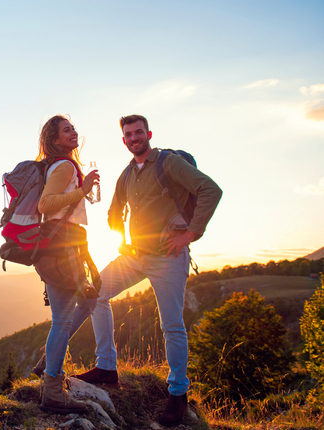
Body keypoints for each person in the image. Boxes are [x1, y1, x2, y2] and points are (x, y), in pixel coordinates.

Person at [73, 114, 222, 426]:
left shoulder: (168, 164)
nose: (133, 138)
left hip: (169, 256)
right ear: (124, 140)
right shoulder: (127, 174)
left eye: (138, 132)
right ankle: (107, 367)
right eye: (128, 134)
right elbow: (114, 211)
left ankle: (178, 394)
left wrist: (190, 234)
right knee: (96, 294)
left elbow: (211, 190)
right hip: (136, 256)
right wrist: (122, 242)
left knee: (172, 326)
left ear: (148, 134)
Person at [34, 114, 100, 414]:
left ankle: (49, 363)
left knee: (89, 299)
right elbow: (45, 205)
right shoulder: (62, 166)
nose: (73, 132)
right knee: (62, 320)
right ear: (55, 139)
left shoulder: (62, 166)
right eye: (66, 130)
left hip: (67, 245)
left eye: (73, 128)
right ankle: (52, 389)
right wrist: (83, 190)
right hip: (62, 247)